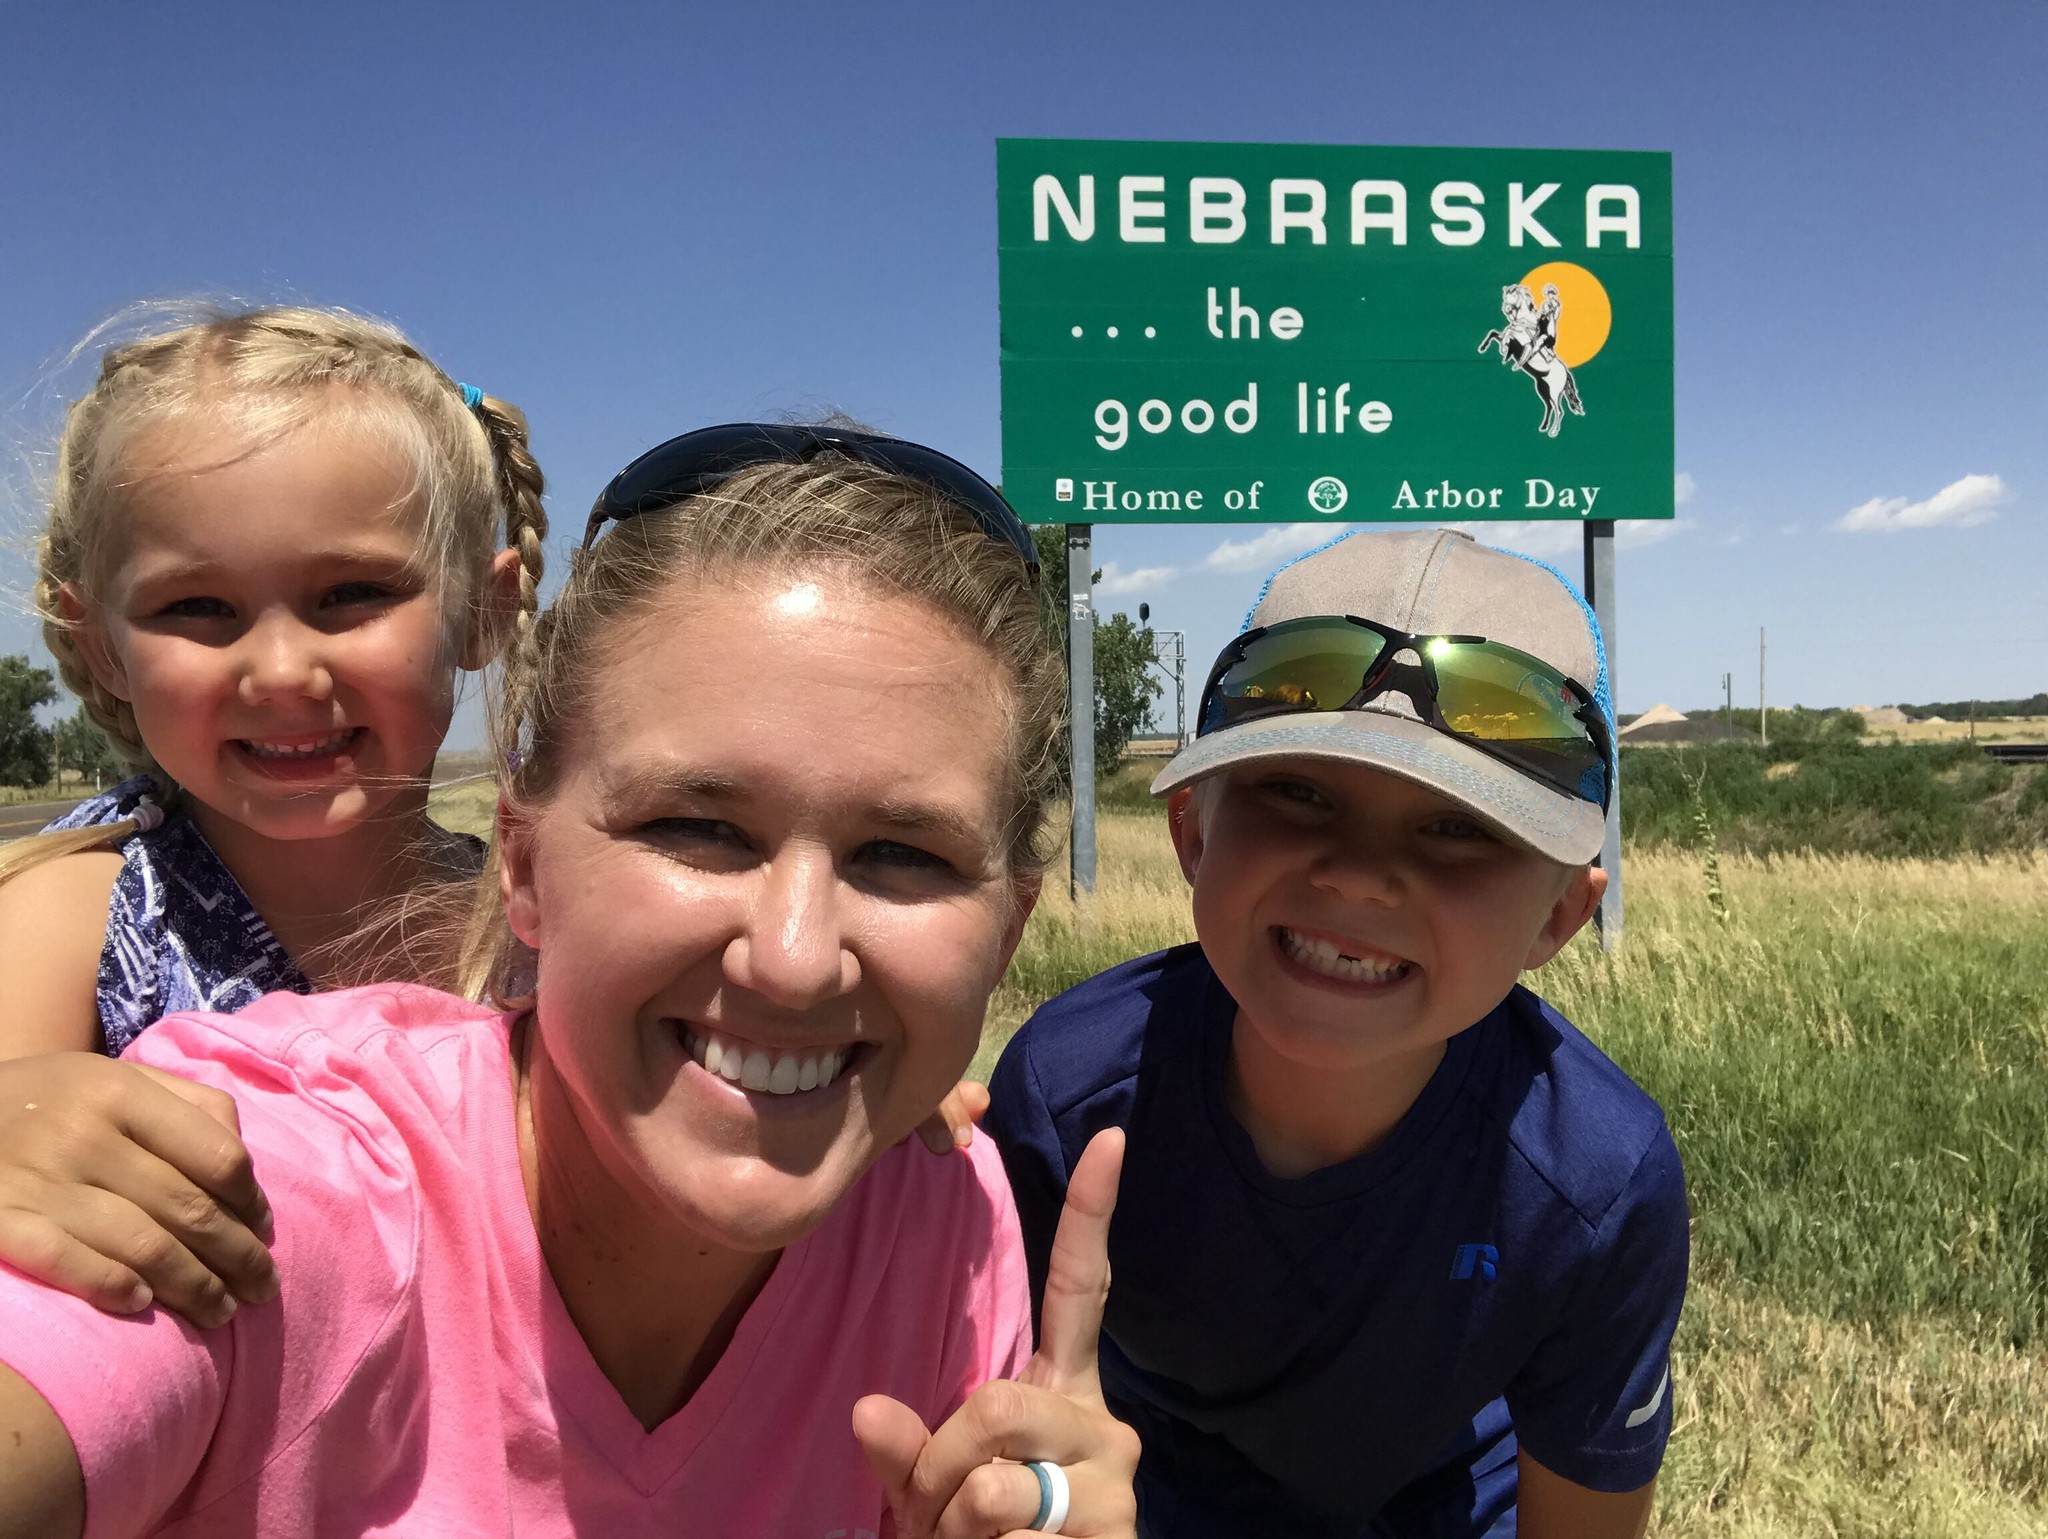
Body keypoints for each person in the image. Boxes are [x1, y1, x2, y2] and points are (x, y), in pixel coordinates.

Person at [0, 427, 1141, 1537]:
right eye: (696, 827)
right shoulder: (255, 1187)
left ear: (1006, 933)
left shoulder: (941, 1215)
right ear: (523, 865)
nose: (794, 960)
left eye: (904, 854)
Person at [987, 528, 1690, 1538]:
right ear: (1193, 833)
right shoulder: (1066, 1089)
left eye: (1458, 827)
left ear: (1557, 917)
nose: (1357, 876)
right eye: (1298, 793)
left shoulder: (1594, 1184)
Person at [0, 305, 545, 1325]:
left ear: (484, 610)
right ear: (101, 642)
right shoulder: (78, 918)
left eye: (352, 592)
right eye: (196, 607)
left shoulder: (537, 921)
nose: (283, 671)